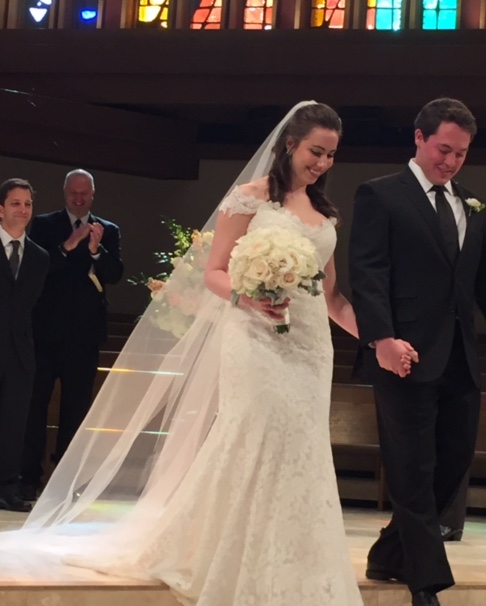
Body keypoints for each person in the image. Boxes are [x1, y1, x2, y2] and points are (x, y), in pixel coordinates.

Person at [0, 102, 376, 606]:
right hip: (255, 338)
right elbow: (215, 271)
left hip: (311, 348)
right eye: (316, 151)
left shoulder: (325, 212)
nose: (323, 163)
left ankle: (291, 556)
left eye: (331, 155)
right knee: (253, 435)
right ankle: (228, 551)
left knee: (302, 445)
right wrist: (250, 297)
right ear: (290, 144)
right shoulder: (248, 198)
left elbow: (330, 296)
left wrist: (377, 339)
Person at [348, 97, 486, 606]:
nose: (451, 161)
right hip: (402, 355)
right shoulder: (380, 195)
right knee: (412, 467)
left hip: (458, 357)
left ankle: (389, 553)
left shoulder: (472, 205)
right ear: (419, 138)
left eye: (461, 154)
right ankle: (426, 582)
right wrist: (381, 339)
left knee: (453, 461)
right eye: (443, 150)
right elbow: (368, 274)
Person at [19, 169, 124, 500]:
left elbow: (115, 274)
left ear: (92, 194)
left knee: (76, 411)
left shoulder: (107, 230)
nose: (79, 199)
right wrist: (69, 245)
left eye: (84, 193)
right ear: (65, 193)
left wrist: (95, 250)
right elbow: (37, 268)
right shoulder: (45, 225)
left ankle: (64, 483)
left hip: (84, 336)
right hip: (45, 334)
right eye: (73, 193)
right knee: (35, 408)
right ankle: (28, 478)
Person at [0, 179, 49, 512]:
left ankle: (7, 488)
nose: (23, 209)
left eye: (28, 204)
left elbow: (31, 305)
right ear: (1, 209)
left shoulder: (39, 257)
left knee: (14, 422)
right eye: (16, 203)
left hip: (19, 352)